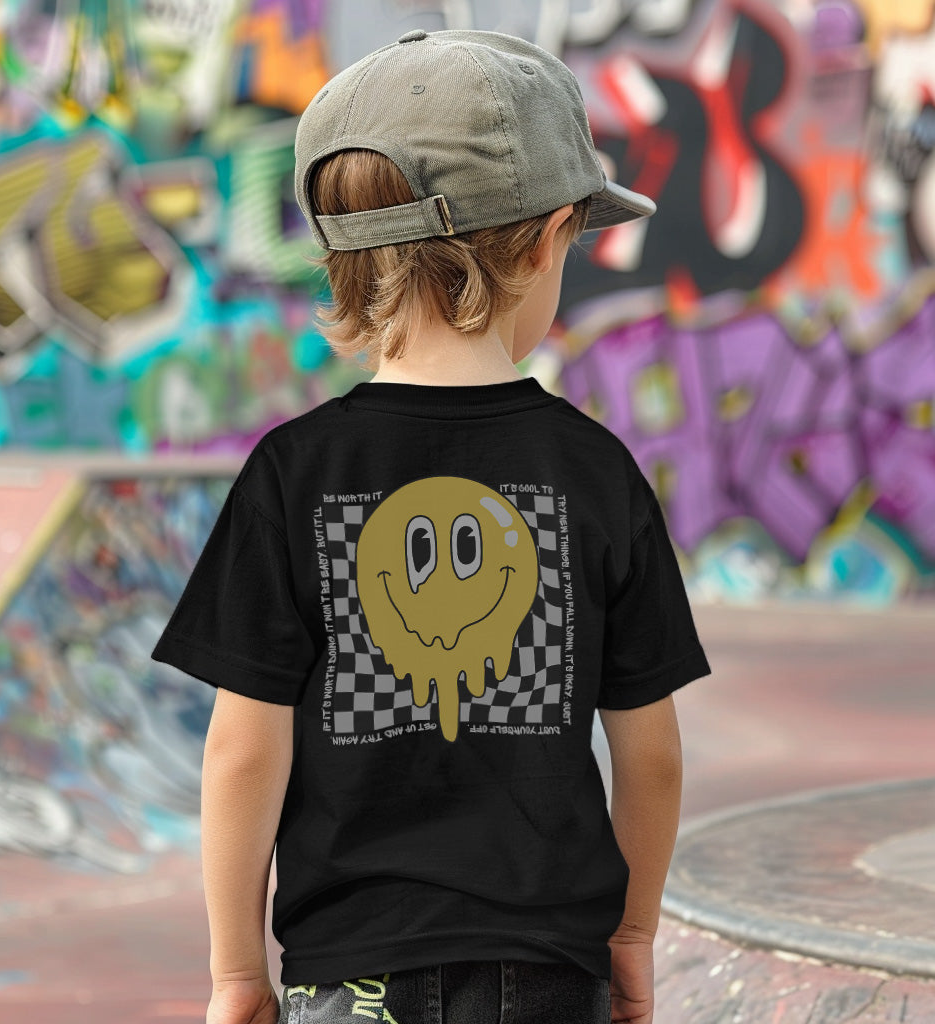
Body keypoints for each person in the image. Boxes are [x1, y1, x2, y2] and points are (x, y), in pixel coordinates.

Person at [150, 27, 712, 1024]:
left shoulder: (292, 472)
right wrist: (629, 937)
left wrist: (238, 968)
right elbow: (650, 753)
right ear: (545, 243)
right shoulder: (594, 472)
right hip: (550, 971)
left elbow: (241, 749)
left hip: (350, 976)